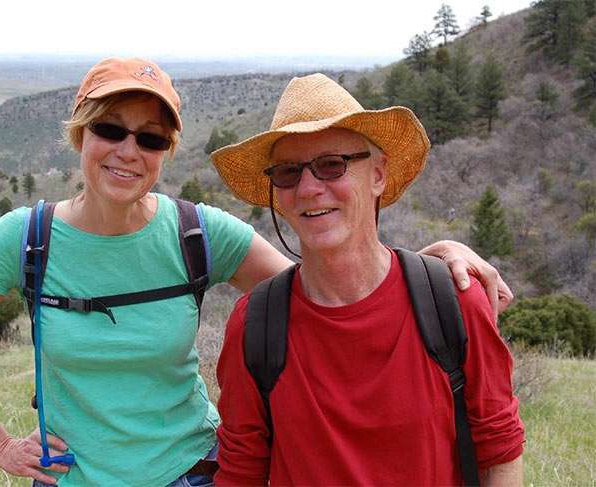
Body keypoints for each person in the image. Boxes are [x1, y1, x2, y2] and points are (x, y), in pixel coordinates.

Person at [0, 58, 512, 486]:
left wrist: (431, 261)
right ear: (80, 134)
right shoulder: (27, 240)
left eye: (149, 137)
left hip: (195, 472)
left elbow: (330, 287)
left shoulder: (196, 234)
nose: (128, 149)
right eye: (109, 129)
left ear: (166, 151)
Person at [211, 73, 525, 486]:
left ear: (378, 175)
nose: (308, 188)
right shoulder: (255, 326)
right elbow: (241, 472)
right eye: (288, 173)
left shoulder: (454, 302)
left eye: (331, 165)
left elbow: (498, 452)